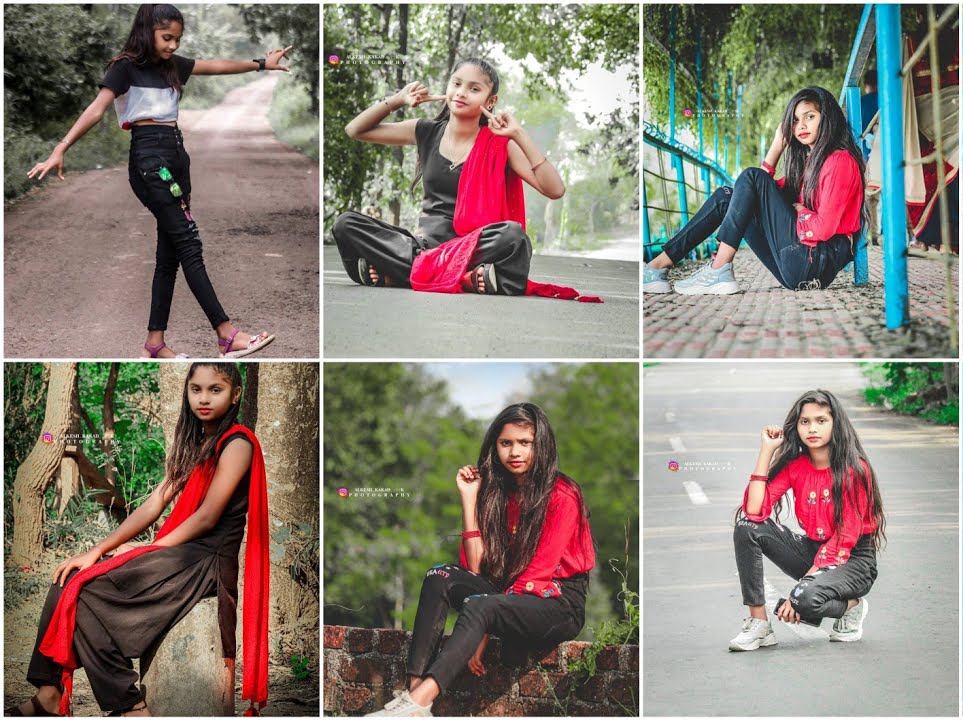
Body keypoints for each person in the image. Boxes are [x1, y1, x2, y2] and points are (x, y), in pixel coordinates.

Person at [12, 363, 269, 717]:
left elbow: (208, 516)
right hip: (183, 553)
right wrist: (97, 549)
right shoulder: (196, 443)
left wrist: (150, 547)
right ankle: (48, 693)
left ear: (235, 394)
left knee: (84, 593)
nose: (204, 398)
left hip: (204, 561)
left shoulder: (238, 443)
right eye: (196, 389)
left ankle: (130, 706)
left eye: (215, 389)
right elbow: (154, 503)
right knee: (69, 576)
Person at [27, 4, 281, 359]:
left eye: (177, 39)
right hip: (151, 161)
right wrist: (61, 147)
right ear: (147, 31)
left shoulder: (173, 66)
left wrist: (260, 64)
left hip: (177, 157)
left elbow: (215, 66)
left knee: (171, 251)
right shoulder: (124, 68)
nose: (173, 46)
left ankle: (155, 343)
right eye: (166, 38)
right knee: (189, 242)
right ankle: (227, 334)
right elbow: (96, 109)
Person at [369, 403, 595, 717]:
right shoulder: (498, 492)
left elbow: (537, 575)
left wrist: (483, 630)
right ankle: (414, 693)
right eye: (506, 443)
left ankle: (419, 702)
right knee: (439, 576)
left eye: (524, 443)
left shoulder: (562, 495)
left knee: (482, 604)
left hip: (556, 603)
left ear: (540, 446)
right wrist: (469, 497)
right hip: (504, 597)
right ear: (495, 446)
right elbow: (475, 569)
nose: (515, 452)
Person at [334, 59, 596, 302]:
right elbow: (355, 130)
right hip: (424, 245)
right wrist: (398, 100)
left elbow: (555, 190)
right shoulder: (425, 131)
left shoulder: (500, 143)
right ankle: (461, 279)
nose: (461, 92)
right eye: (456, 84)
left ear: (490, 101)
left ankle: (399, 275)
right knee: (347, 224)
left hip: (473, 249)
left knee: (513, 237)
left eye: (473, 88)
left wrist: (519, 134)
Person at [643, 86, 866, 295]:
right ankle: (657, 267)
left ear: (827, 118)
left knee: (751, 175)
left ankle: (718, 267)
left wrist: (800, 212)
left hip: (814, 263)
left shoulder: (840, 161)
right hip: (798, 264)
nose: (801, 126)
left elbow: (824, 228)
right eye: (795, 120)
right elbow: (751, 192)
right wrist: (777, 146)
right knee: (726, 197)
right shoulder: (809, 166)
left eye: (810, 117)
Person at [729, 390, 885, 651]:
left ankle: (852, 607)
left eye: (821, 420)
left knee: (803, 598)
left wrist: (802, 588)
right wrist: (766, 451)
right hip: (814, 550)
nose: (812, 428)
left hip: (854, 559)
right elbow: (755, 511)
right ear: (797, 426)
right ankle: (759, 625)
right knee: (747, 527)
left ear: (836, 424)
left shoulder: (854, 469)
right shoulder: (796, 465)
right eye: (805, 422)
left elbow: (846, 536)